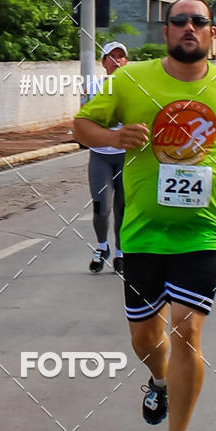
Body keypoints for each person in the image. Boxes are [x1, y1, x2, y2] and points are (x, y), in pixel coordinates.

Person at [72, 0, 216, 431]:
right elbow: (81, 125)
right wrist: (113, 138)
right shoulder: (129, 79)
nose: (189, 27)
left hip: (202, 231)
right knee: (146, 337)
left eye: (199, 21)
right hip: (144, 232)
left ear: (213, 33)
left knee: (188, 329)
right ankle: (159, 380)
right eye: (179, 21)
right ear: (165, 31)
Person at [85, 42, 128, 275]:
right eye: (112, 56)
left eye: (121, 57)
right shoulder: (93, 87)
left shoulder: (134, 88)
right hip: (100, 155)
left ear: (126, 62)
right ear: (103, 62)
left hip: (124, 156)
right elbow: (84, 119)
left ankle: (121, 253)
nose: (117, 61)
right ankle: (102, 247)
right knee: (101, 206)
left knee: (122, 207)